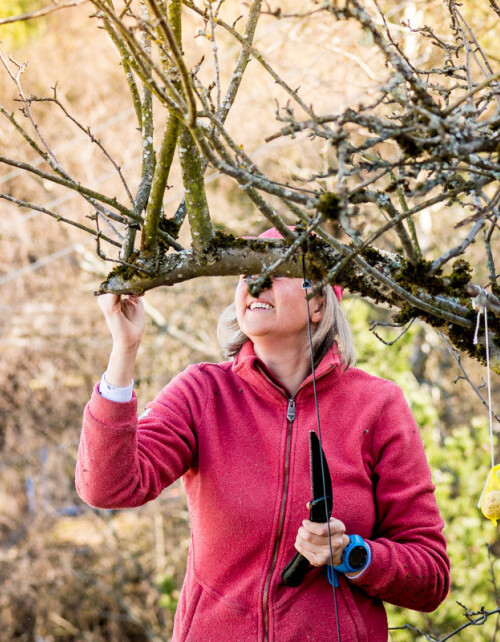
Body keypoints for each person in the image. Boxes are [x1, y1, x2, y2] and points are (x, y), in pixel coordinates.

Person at [76, 229, 450, 641]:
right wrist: (124, 350)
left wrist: (352, 553)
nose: (255, 283)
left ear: (320, 303)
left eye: (277, 270)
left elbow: (431, 575)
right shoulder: (202, 392)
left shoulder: (377, 405)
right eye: (245, 273)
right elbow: (106, 487)